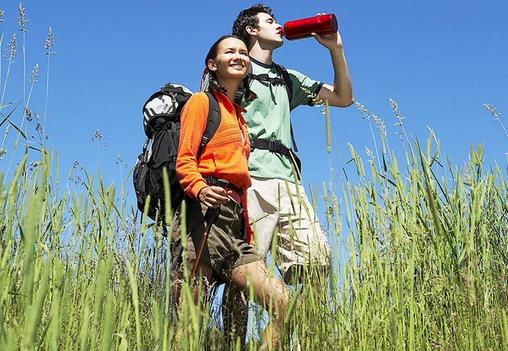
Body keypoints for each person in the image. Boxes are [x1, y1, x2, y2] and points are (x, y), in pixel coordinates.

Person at [222, 3, 354, 342]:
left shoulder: (286, 77)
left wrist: (336, 50)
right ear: (251, 30)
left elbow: (343, 98)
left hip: (291, 184)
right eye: (270, 21)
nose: (279, 25)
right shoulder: (235, 67)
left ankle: (276, 341)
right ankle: (233, 342)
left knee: (316, 265)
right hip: (250, 180)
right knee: (247, 270)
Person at [172, 34, 289, 349]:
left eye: (242, 51)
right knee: (189, 324)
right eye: (229, 51)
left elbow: (241, 182)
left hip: (234, 224)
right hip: (202, 218)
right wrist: (199, 189)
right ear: (213, 64)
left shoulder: (240, 117)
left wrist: (245, 228)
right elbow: (184, 160)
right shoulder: (201, 102)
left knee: (283, 302)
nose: (239, 55)